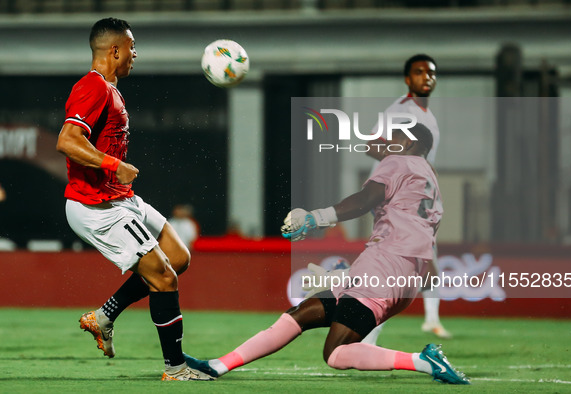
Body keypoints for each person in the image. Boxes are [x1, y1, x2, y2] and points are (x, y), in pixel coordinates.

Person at [184, 124, 469, 385]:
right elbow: (423, 252)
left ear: (406, 142)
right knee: (299, 315)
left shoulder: (398, 161)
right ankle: (217, 366)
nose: (384, 143)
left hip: (384, 267)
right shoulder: (429, 178)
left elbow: (364, 201)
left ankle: (422, 361)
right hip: (400, 274)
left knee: (335, 353)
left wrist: (315, 217)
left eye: (391, 138)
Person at [56, 17, 212, 381]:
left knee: (177, 257)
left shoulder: (110, 89)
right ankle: (176, 369)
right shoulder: (91, 87)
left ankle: (104, 317)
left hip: (120, 198)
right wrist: (113, 163)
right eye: (132, 47)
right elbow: (66, 141)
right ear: (115, 50)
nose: (135, 54)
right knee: (163, 278)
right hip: (97, 207)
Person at [364, 54, 451, 343]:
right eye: (418, 72)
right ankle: (367, 332)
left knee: (419, 262)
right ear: (407, 79)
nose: (426, 77)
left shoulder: (427, 115)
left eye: (431, 73)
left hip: (415, 199)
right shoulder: (401, 110)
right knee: (402, 264)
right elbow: (371, 145)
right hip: (397, 197)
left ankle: (426, 320)